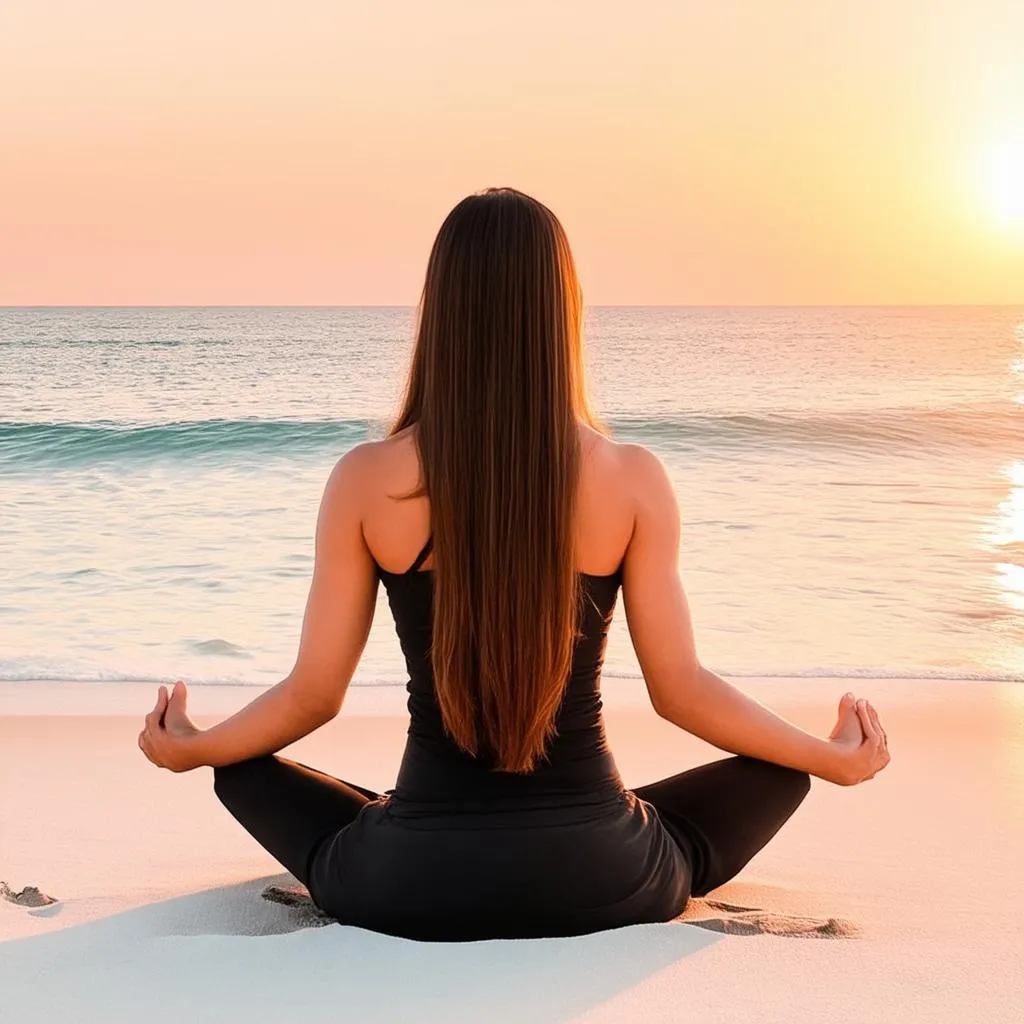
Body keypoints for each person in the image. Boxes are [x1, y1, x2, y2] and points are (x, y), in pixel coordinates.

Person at [138, 187, 890, 941]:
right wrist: (830, 757)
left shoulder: (367, 479)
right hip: (605, 878)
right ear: (562, 308)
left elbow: (312, 697)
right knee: (781, 769)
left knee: (243, 769)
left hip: (409, 885)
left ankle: (405, 823)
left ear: (441, 308)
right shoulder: (632, 477)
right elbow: (682, 692)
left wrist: (193, 747)